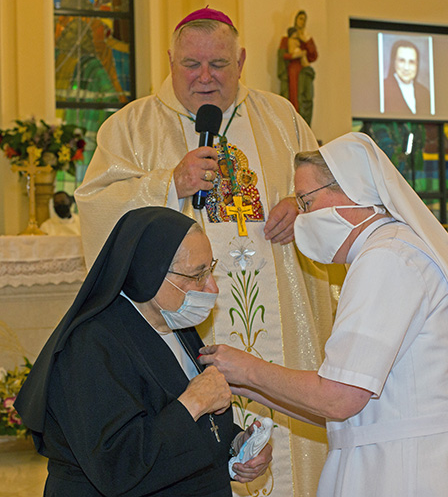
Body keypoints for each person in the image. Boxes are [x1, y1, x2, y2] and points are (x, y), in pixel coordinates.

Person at [74, 7, 338, 496]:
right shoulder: (131, 127)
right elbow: (93, 208)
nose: (204, 77)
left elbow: (333, 193)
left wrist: (303, 205)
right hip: (188, 320)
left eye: (218, 64)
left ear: (240, 61)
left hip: (284, 309)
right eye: (191, 65)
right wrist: (167, 183)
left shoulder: (282, 118)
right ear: (170, 62)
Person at [200, 132, 448, 496]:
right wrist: (240, 383)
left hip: (404, 469)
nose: (302, 216)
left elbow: (339, 398)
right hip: (406, 456)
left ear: (354, 193)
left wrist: (247, 367)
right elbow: (343, 405)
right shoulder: (393, 250)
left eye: (305, 201)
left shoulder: (386, 259)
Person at [14, 206, 271, 496]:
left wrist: (235, 446)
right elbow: (117, 466)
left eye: (209, 269)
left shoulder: (174, 320)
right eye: (197, 275)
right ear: (150, 272)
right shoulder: (90, 346)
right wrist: (194, 401)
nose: (211, 288)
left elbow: (191, 425)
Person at [278, 10, 318, 125]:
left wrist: (306, 40)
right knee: (296, 98)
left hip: (305, 72)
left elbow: (313, 56)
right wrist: (294, 55)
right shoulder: (287, 39)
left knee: (307, 98)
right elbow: (282, 55)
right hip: (293, 72)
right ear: (295, 19)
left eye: (304, 20)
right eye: (300, 19)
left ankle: (306, 125)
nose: (302, 22)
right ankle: (295, 125)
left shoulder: (305, 38)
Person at [383, 39, 430, 116]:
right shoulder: (382, 89)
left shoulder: (425, 93)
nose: (406, 68)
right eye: (402, 61)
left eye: (411, 62)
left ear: (417, 65)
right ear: (394, 62)